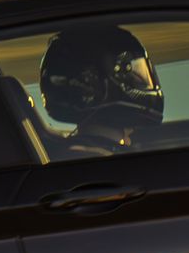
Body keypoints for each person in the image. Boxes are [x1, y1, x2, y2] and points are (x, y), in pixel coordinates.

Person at [37, 22, 165, 156]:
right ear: (94, 82)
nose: (138, 79)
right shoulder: (99, 159)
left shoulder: (69, 153)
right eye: (131, 74)